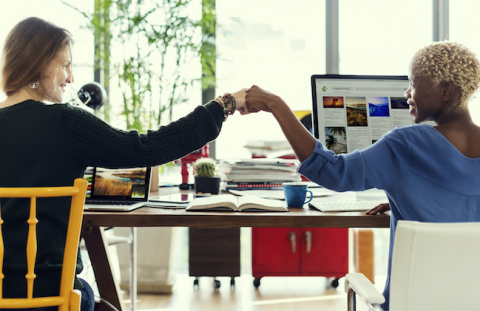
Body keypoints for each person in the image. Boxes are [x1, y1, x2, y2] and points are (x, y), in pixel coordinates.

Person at [0, 17, 246, 311]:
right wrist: (222, 107)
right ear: (40, 64)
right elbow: (145, 148)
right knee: (97, 300)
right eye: (65, 65)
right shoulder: (66, 122)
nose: (71, 77)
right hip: (51, 293)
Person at [244, 41, 480, 310]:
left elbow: (333, 171)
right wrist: (405, 199)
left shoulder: (406, 144)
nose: (407, 93)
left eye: (414, 84)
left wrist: (275, 105)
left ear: (446, 91)